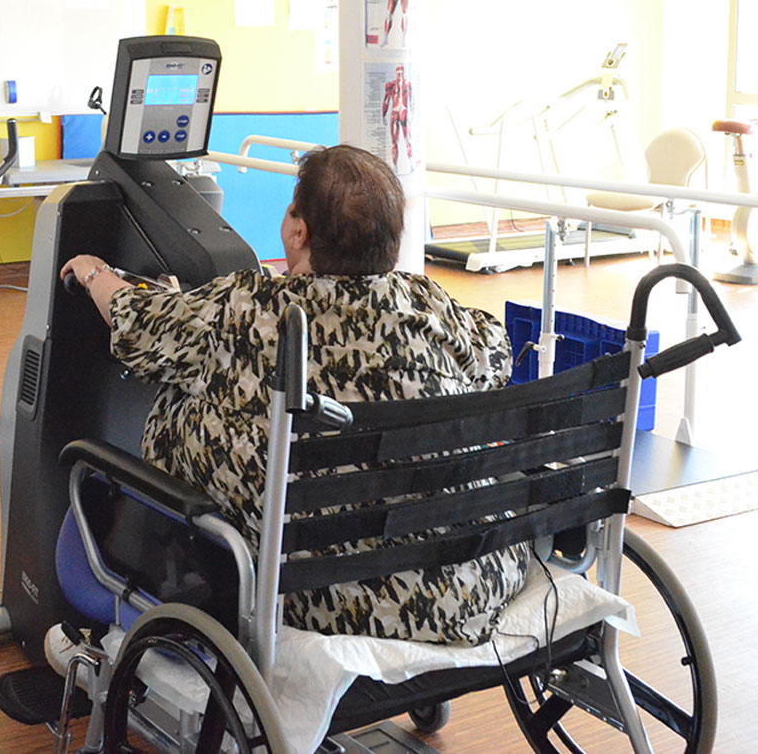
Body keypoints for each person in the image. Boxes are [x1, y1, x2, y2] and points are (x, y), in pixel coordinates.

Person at [60, 145, 528, 645]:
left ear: (298, 231)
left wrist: (93, 272)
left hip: (336, 600)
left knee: (187, 401)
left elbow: (141, 325)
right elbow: (494, 356)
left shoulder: (251, 309)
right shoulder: (428, 304)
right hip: (470, 582)